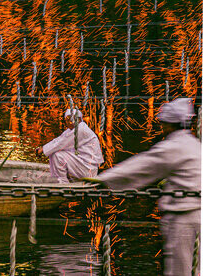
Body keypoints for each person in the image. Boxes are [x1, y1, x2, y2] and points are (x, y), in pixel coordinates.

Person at [88, 98, 200, 276]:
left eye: (163, 123)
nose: (161, 127)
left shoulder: (172, 146)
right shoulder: (195, 145)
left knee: (181, 269)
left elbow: (141, 166)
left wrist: (102, 179)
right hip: (197, 213)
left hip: (183, 218)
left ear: (170, 125)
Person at [35, 108, 103, 183]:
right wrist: (43, 148)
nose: (70, 122)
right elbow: (58, 140)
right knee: (57, 152)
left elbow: (61, 144)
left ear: (79, 119)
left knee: (57, 155)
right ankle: (66, 178)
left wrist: (43, 150)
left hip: (88, 169)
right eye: (67, 119)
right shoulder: (72, 130)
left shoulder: (81, 130)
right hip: (83, 165)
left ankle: (63, 182)